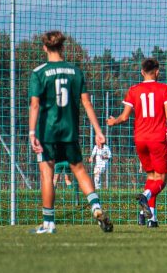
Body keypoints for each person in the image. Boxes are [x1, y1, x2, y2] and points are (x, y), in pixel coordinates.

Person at [27, 30, 113, 233]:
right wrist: (98, 131)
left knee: (47, 174)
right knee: (79, 170)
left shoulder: (39, 73)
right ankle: (96, 207)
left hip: (48, 133)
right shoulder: (75, 72)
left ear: (45, 48)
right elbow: (86, 102)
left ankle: (48, 223)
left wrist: (32, 133)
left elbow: (34, 105)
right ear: (63, 47)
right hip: (70, 131)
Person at [107, 58, 167, 225]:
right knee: (162, 178)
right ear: (157, 71)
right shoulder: (164, 89)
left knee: (151, 176)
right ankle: (145, 197)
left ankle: (151, 218)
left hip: (140, 139)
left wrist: (113, 121)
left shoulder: (134, 90)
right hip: (156, 138)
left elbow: (124, 117)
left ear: (142, 72)